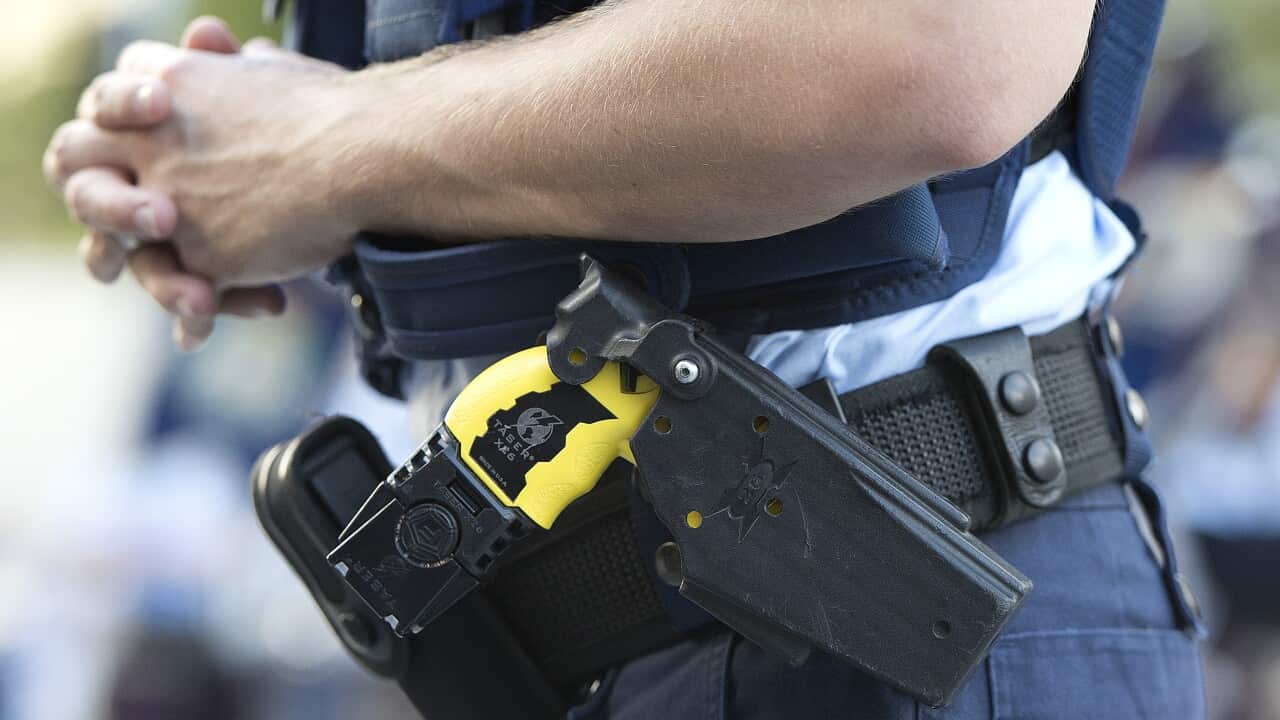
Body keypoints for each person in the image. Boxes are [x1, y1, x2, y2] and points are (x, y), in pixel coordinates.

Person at [43, 3, 1206, 718]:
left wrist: (315, 148)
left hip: (876, 600)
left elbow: (924, 45)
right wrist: (230, 146)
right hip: (584, 634)